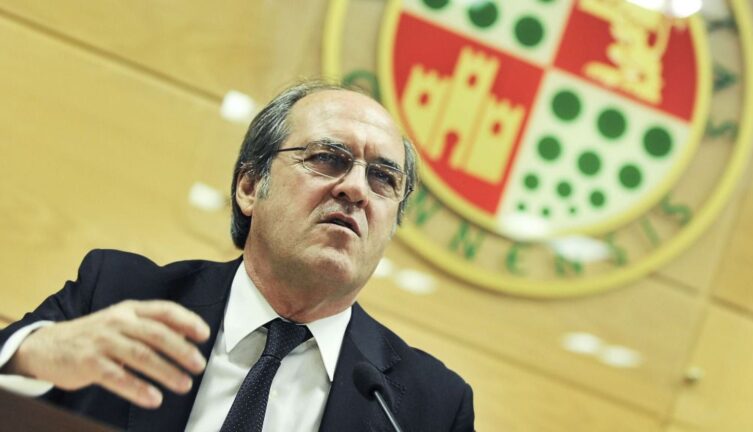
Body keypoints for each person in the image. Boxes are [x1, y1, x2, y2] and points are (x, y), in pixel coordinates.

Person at [0, 81, 474, 431]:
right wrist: (36, 355)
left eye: (383, 179)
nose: (355, 188)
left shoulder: (428, 408)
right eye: (328, 158)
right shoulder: (120, 294)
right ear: (249, 187)